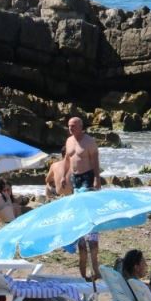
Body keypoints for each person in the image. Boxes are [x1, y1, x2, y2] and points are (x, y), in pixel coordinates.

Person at [61, 117, 102, 280]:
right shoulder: (69, 141)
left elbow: (95, 160)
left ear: (81, 126)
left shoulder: (89, 141)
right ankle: (77, 237)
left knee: (85, 206)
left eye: (73, 126)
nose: (70, 128)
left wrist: (97, 178)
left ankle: (89, 233)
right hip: (75, 178)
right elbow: (67, 160)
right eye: (69, 126)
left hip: (87, 176)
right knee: (76, 209)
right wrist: (63, 176)